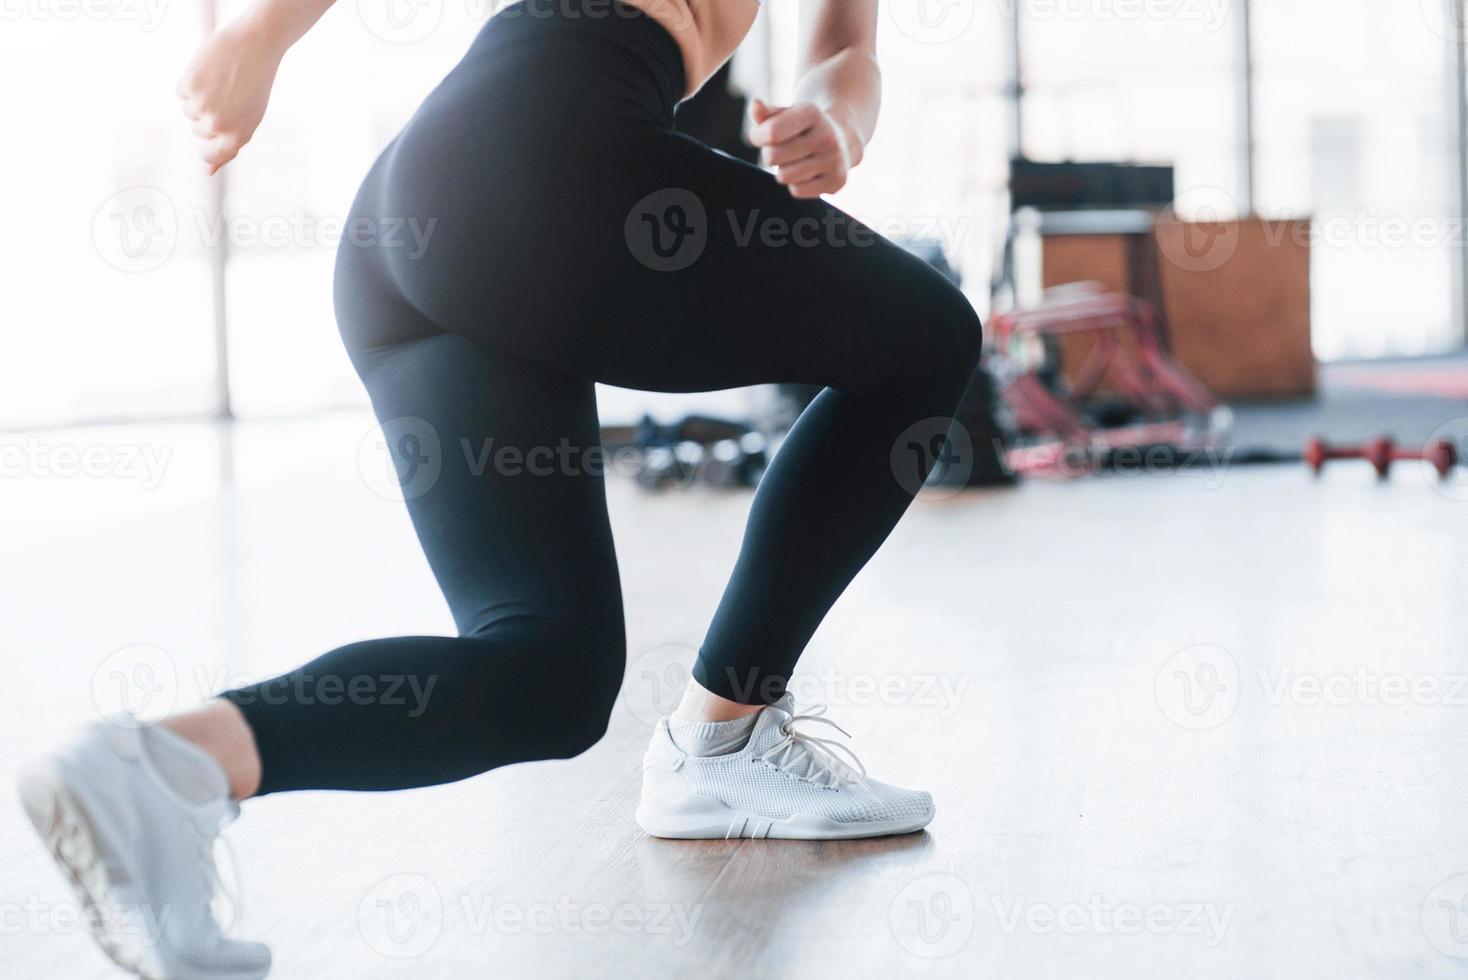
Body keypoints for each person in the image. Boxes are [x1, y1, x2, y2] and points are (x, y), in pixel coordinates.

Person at [19, 0, 983, 975]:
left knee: (549, 675)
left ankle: (167, 764)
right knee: (928, 338)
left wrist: (833, 123)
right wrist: (262, 32)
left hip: (425, 221)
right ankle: (722, 744)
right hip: (547, 160)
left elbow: (843, 49)